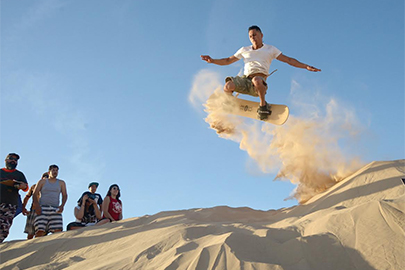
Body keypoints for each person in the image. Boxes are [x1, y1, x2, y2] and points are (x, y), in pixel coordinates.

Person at [201, 25, 321, 120]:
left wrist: (306, 66)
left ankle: (263, 106)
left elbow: (289, 60)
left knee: (257, 80)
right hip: (245, 80)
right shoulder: (244, 50)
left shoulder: (270, 49)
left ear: (261, 35)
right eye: (250, 36)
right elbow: (227, 60)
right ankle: (229, 101)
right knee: (228, 86)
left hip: (258, 84)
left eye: (255, 35)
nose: (253, 37)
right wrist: (212, 60)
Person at [0, 153, 29, 243]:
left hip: (10, 204)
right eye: (11, 159)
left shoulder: (19, 174)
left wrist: (19, 185)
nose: (13, 161)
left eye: (15, 160)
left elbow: (26, 187)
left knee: (4, 228)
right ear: (6, 160)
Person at [33, 164, 68, 237]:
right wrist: (36, 206)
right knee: (40, 230)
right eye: (53, 170)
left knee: (57, 231)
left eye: (56, 171)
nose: (55, 172)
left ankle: (55, 247)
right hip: (42, 207)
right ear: (49, 172)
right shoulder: (42, 182)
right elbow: (35, 193)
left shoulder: (61, 183)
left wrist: (62, 205)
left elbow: (64, 195)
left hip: (55, 208)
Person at [22, 172, 48, 239]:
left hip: (45, 210)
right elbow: (27, 197)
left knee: (42, 231)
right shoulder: (34, 186)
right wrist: (23, 207)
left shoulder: (52, 187)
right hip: (34, 210)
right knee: (31, 231)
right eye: (45, 177)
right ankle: (28, 246)